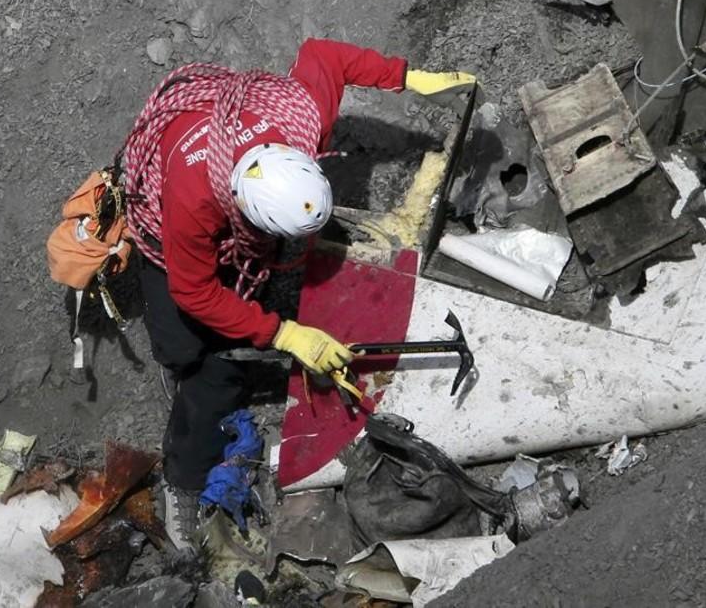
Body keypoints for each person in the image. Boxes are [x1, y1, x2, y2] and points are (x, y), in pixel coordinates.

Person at [121, 38, 474, 549]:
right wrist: (285, 334)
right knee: (199, 358)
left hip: (227, 163)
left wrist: (408, 76)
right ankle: (184, 477)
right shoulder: (193, 201)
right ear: (241, 212)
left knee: (230, 320)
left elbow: (324, 56)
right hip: (164, 200)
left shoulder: (301, 122)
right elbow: (194, 291)